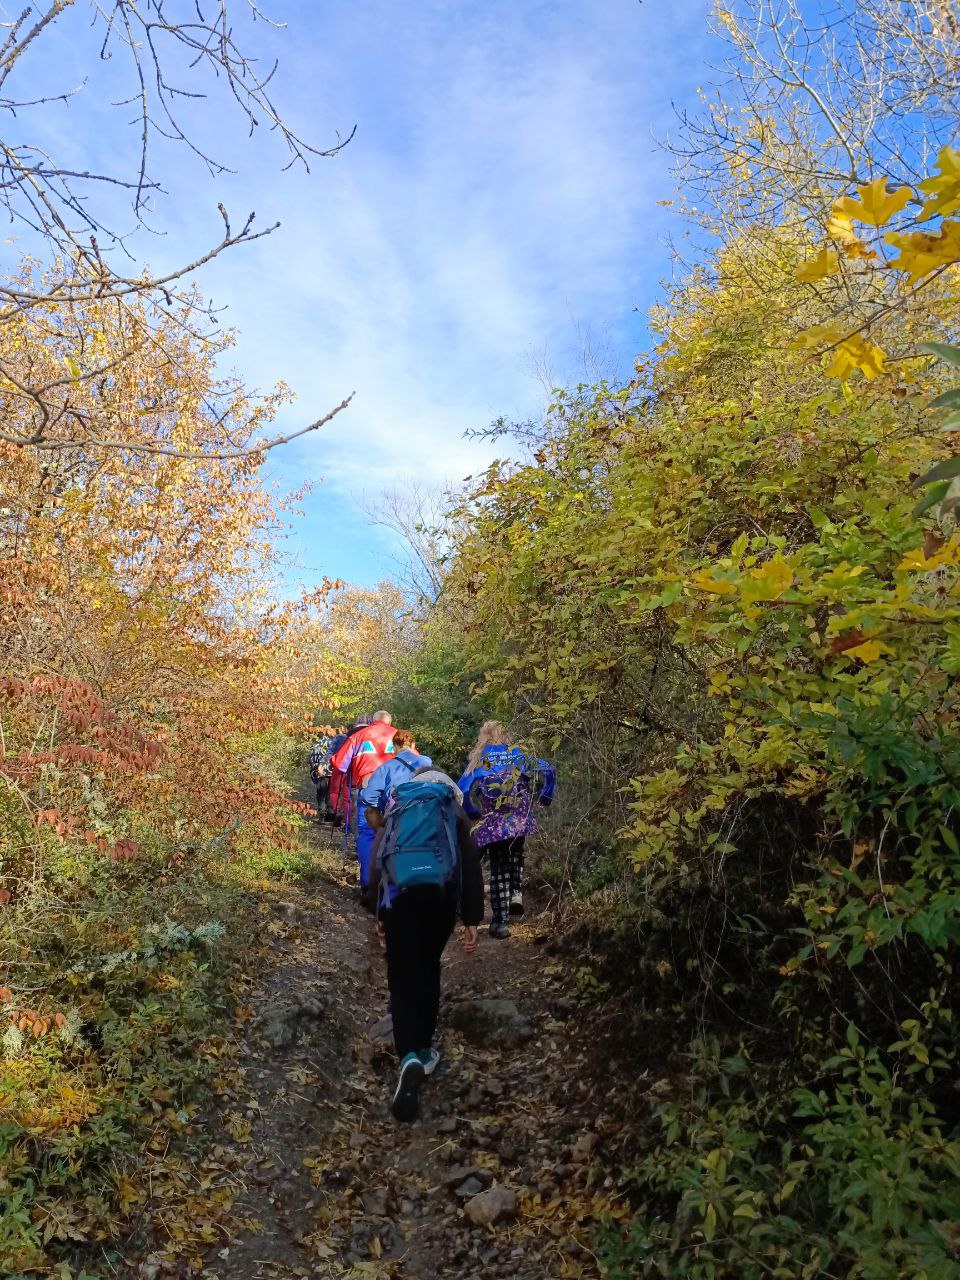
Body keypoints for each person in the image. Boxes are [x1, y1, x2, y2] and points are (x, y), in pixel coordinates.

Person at [372, 765, 483, 1122]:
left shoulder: (399, 806)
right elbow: (470, 863)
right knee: (428, 968)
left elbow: (380, 859)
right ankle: (423, 1047)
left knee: (402, 976)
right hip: (440, 899)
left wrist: (379, 913)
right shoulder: (452, 808)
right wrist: (471, 919)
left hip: (400, 897)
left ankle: (408, 1057)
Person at [457, 721, 556, 940]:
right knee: (516, 853)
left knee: (499, 865)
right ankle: (515, 894)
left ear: (484, 736)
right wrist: (546, 796)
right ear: (504, 735)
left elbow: (461, 790)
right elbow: (549, 769)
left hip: (493, 821)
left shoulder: (479, 760)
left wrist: (473, 813)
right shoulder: (517, 755)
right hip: (519, 819)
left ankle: (499, 922)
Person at [330, 711, 397, 888]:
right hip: (395, 790)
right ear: (389, 722)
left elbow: (339, 763)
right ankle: (393, 880)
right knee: (394, 829)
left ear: (372, 722)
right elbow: (413, 760)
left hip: (368, 785)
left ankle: (368, 884)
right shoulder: (399, 736)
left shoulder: (359, 736)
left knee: (367, 833)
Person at [310, 728, 348, 822]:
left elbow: (312, 760)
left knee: (321, 795)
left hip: (321, 772)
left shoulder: (316, 744)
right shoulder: (336, 742)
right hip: (333, 771)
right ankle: (330, 815)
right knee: (332, 794)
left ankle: (322, 817)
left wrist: (314, 772)